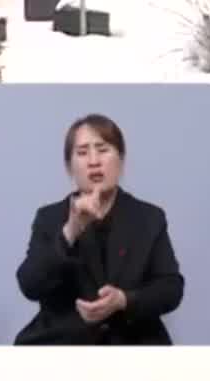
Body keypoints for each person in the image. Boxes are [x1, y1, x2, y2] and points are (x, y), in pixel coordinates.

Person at [12, 113, 184, 345]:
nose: (94, 161)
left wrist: (124, 300)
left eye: (103, 150)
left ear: (121, 160)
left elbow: (171, 288)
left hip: (134, 343)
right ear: (69, 166)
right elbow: (30, 285)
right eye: (82, 153)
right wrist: (70, 231)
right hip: (64, 345)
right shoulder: (49, 217)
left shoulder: (149, 217)